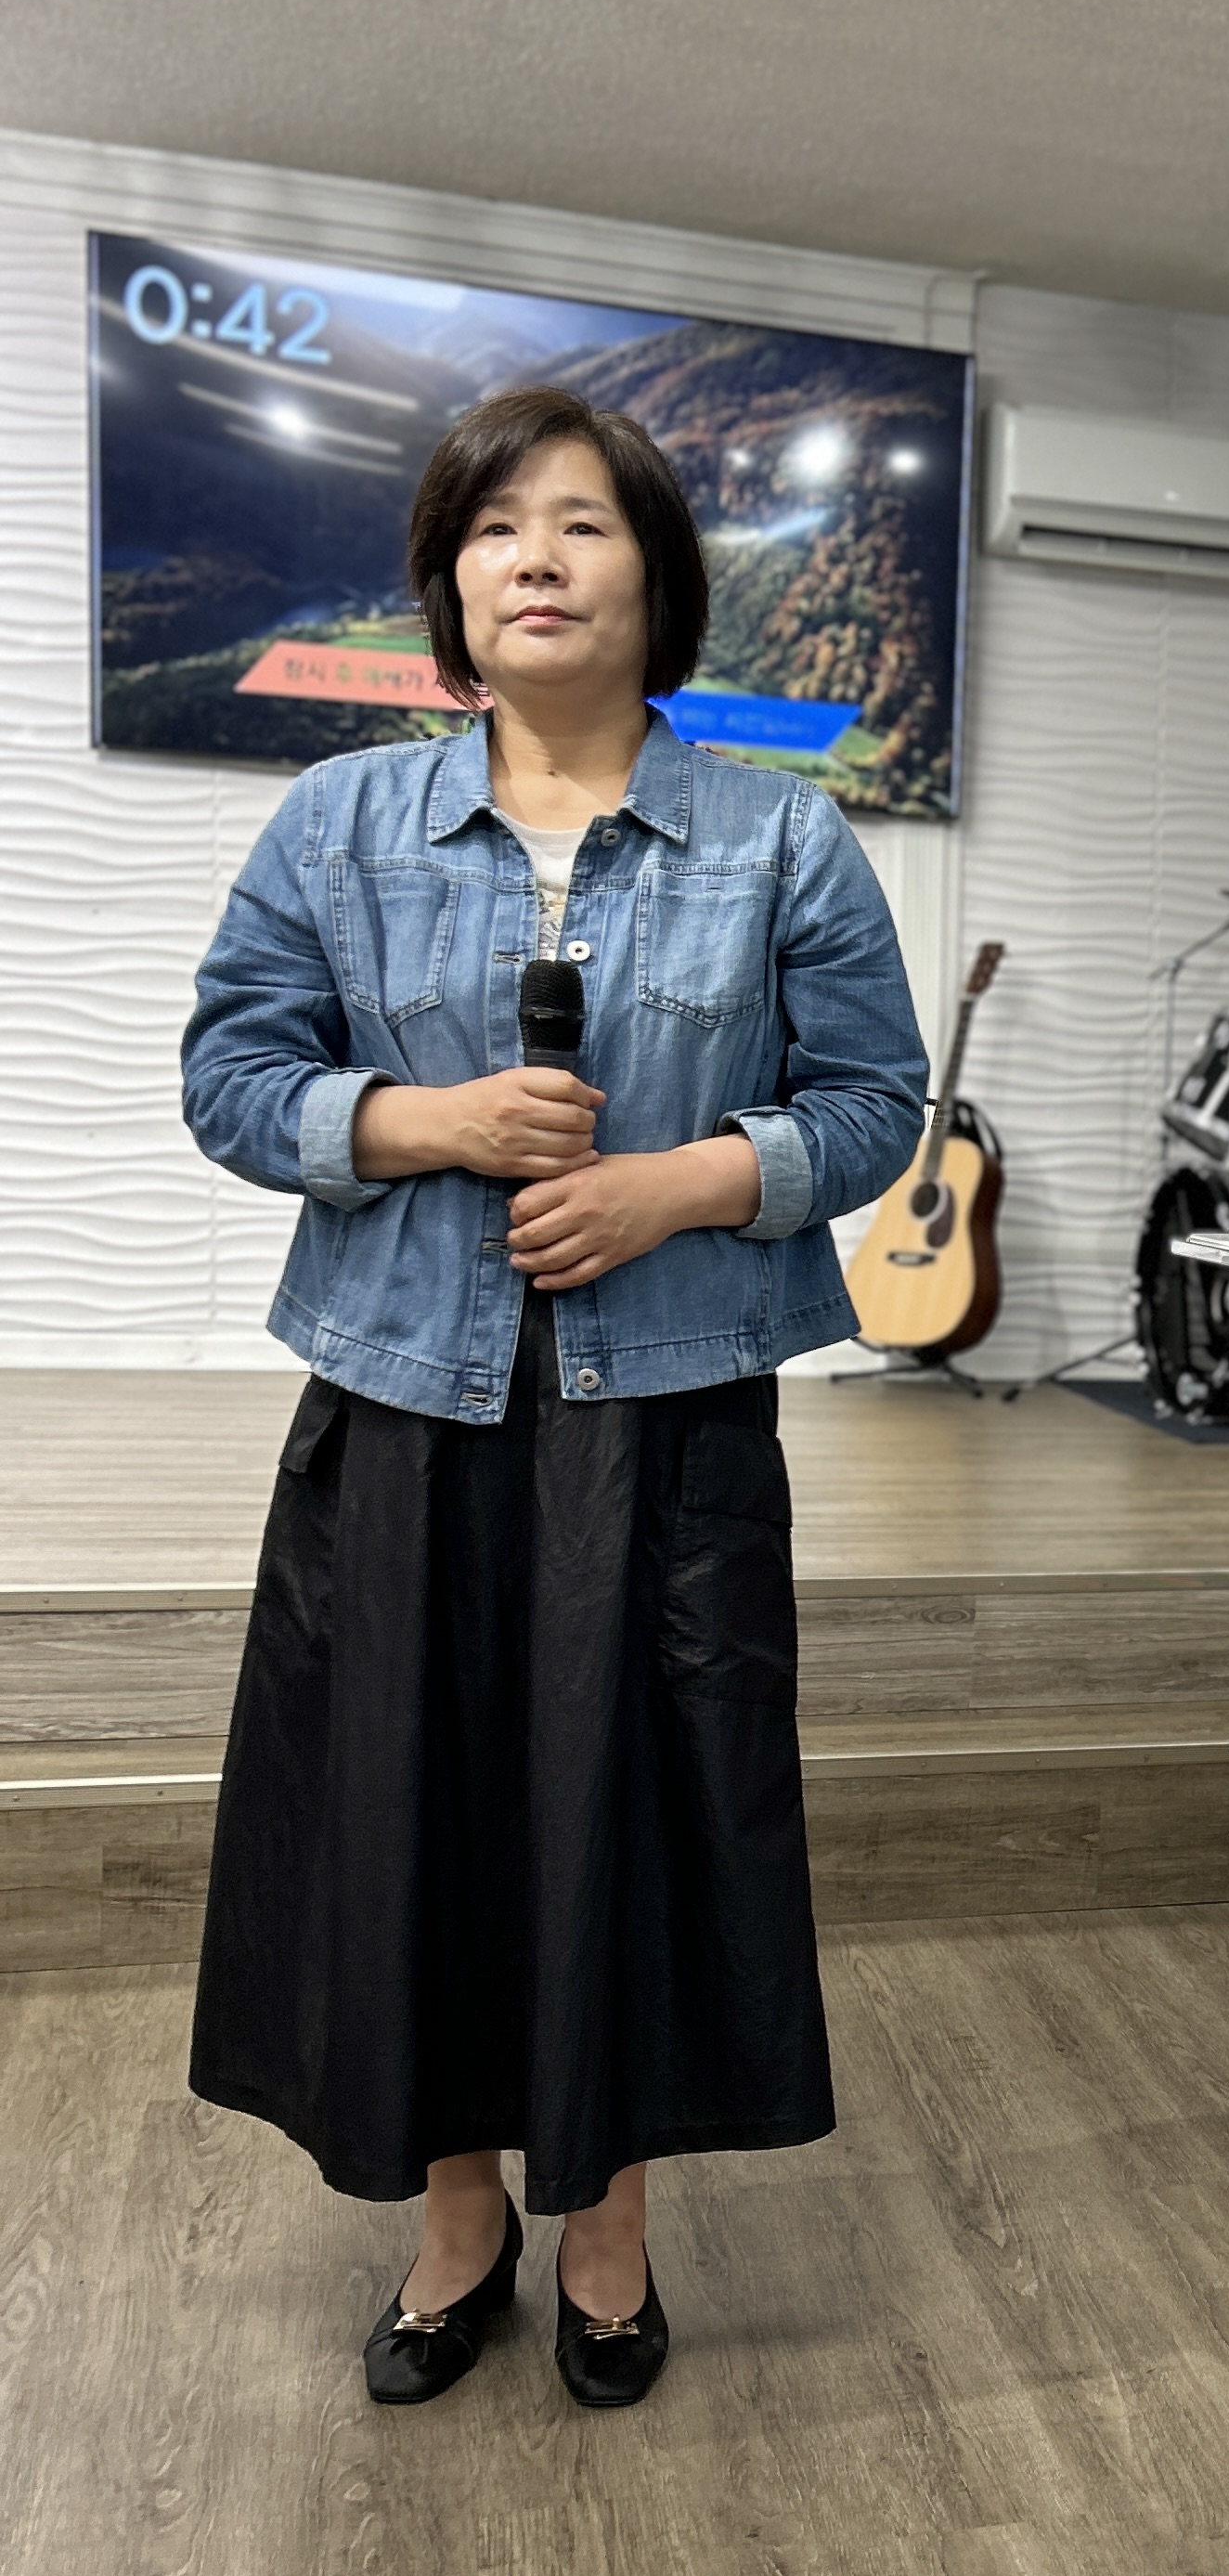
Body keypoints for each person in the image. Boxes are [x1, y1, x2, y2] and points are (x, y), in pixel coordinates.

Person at [180, 385, 925, 2412]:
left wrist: (683, 1185)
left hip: (668, 1417)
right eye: (494, 525)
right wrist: (421, 1121)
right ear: (447, 586)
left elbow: (877, 1105)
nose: (535, 556)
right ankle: (454, 2224)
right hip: (399, 1407)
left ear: (655, 581)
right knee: (401, 1809)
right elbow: (231, 1078)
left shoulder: (780, 835)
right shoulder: (337, 824)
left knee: (645, 1820)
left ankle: (606, 2225)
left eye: (582, 522)